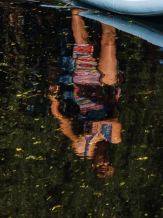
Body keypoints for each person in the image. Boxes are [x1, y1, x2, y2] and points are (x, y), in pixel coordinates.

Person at [48, 10, 123, 179]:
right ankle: (106, 9)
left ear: (94, 165)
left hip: (84, 89)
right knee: (109, 42)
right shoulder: (114, 139)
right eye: (108, 165)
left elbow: (64, 123)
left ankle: (76, 10)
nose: (105, 162)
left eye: (102, 167)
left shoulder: (82, 147)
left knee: (82, 42)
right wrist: (95, 127)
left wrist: (54, 102)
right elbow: (115, 122)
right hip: (106, 88)